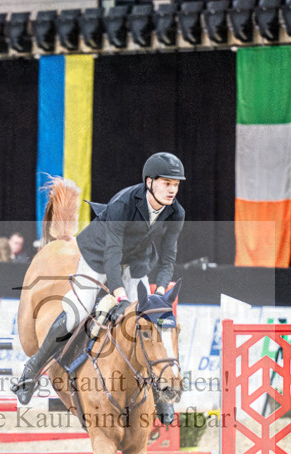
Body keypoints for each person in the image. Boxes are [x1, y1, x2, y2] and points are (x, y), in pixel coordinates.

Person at [13, 152, 186, 404]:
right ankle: (32, 369)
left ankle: (159, 394)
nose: (172, 190)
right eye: (167, 183)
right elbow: (111, 255)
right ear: (149, 182)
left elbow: (168, 257)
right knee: (78, 310)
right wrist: (120, 296)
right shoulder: (124, 204)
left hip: (136, 263)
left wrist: (159, 292)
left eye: (176, 185)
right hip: (98, 256)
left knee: (149, 320)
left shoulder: (176, 212)